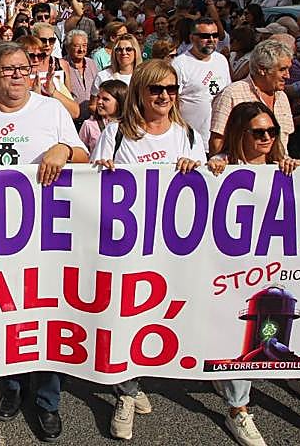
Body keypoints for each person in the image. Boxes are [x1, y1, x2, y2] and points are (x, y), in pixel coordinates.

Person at [0, 42, 87, 441]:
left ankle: (47, 400)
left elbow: (84, 157)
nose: (18, 75)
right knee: (8, 314)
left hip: (48, 235)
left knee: (45, 317)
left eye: (24, 68)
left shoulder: (50, 110)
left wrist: (63, 148)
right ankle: (11, 387)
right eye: (9, 69)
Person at [206, 102, 300, 444]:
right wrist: (207, 169)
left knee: (290, 320)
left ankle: (298, 374)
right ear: (239, 134)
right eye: (258, 132)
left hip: (280, 263)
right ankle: (238, 409)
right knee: (241, 335)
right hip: (234, 268)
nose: (267, 138)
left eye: (272, 132)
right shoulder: (222, 168)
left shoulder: (287, 168)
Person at [91, 59, 206, 441]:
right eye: (156, 89)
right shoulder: (117, 135)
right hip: (126, 248)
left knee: (163, 319)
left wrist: (201, 169)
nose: (164, 96)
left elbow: (208, 192)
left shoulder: (188, 136)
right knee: (126, 317)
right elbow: (93, 191)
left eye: (171, 89)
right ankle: (125, 391)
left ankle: (135, 380)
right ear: (140, 91)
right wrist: (101, 170)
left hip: (173, 248)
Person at [210, 39, 295, 155]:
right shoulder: (232, 94)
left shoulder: (282, 98)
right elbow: (217, 141)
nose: (288, 76)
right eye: (282, 70)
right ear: (262, 69)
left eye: (288, 69)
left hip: (275, 171)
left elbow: (284, 143)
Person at [171, 18, 231, 141]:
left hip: (219, 137)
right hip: (191, 139)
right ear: (192, 38)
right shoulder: (179, 64)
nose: (211, 40)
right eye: (205, 36)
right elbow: (172, 103)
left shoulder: (221, 60)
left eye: (215, 35)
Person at [79, 79, 126, 154]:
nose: (99, 102)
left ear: (119, 102)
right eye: (98, 97)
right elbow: (81, 153)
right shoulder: (89, 125)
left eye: (105, 99)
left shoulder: (130, 125)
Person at [61, 29, 100, 117]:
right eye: (76, 46)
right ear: (67, 47)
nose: (81, 49)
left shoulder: (91, 63)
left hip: (92, 118)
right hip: (72, 119)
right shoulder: (61, 65)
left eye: (84, 45)